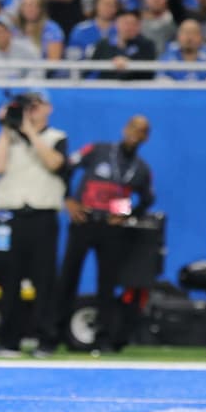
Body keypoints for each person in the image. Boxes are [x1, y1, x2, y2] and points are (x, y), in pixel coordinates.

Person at [55, 115, 155, 354]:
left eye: (141, 131)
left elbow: (147, 198)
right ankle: (53, 335)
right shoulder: (98, 151)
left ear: (146, 138)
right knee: (68, 277)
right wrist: (68, 200)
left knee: (107, 284)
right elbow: (67, 168)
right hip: (84, 220)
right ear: (124, 128)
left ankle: (104, 338)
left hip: (111, 228)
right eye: (132, 127)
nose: (135, 134)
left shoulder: (140, 168)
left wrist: (126, 214)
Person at [0, 90, 68, 359]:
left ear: (48, 108)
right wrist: (7, 129)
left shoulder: (56, 137)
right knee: (9, 281)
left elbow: (54, 163)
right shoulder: (10, 139)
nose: (31, 110)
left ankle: (45, 340)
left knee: (44, 281)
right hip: (11, 217)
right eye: (27, 106)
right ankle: (8, 341)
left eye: (36, 105)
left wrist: (30, 131)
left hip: (41, 217)